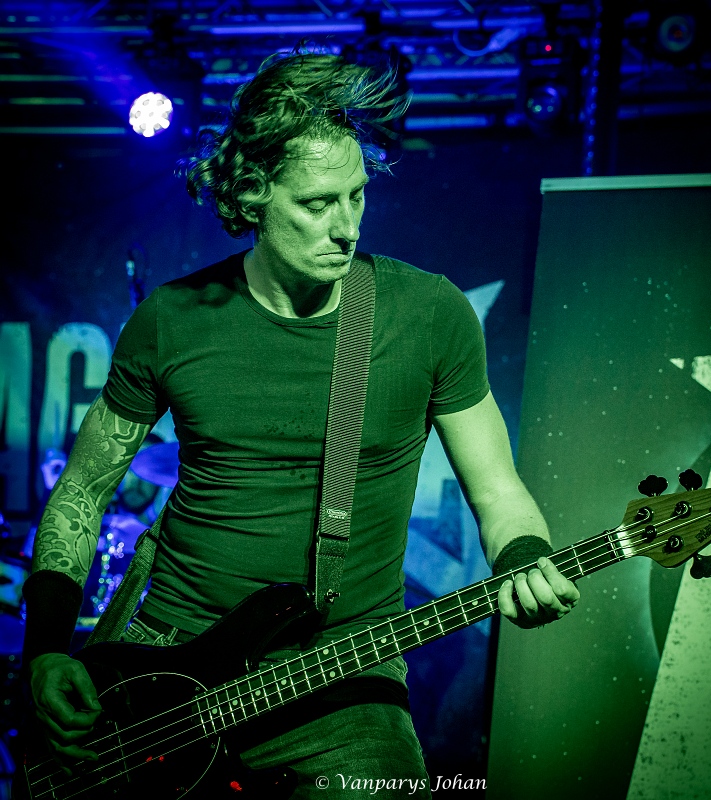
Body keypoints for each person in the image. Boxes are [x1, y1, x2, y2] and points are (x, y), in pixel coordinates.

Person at [21, 51, 580, 798]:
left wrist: (526, 555)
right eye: (318, 204)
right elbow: (83, 492)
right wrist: (46, 649)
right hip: (161, 668)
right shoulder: (171, 320)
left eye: (357, 196)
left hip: (341, 674)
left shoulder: (429, 315)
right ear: (252, 191)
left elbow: (498, 490)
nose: (346, 227)